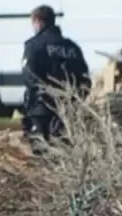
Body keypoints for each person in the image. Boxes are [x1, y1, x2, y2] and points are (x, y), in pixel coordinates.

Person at [22, 5, 91, 154]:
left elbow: (29, 77)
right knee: (64, 151)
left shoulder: (34, 46)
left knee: (41, 153)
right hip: (68, 109)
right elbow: (85, 79)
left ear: (39, 22)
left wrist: (45, 95)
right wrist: (76, 99)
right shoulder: (72, 48)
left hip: (42, 110)